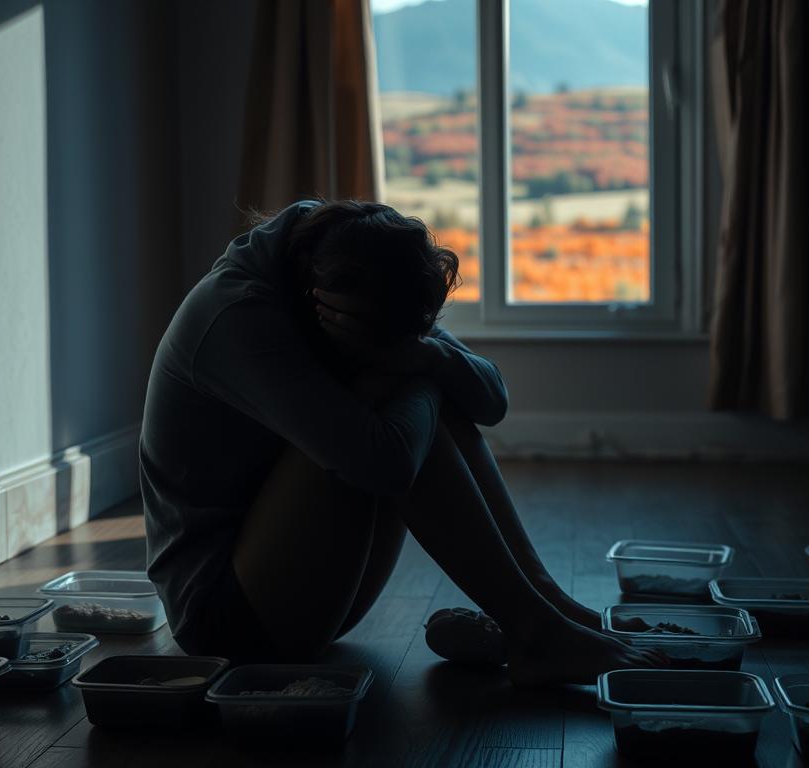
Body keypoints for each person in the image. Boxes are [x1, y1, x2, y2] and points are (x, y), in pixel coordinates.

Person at [139, 199, 666, 684]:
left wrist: (428, 356)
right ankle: (536, 631)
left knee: (417, 379)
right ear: (315, 300)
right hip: (229, 620)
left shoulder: (359, 267)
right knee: (393, 400)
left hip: (315, 591)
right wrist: (414, 369)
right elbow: (384, 467)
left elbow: (491, 400)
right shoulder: (237, 316)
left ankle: (548, 608)